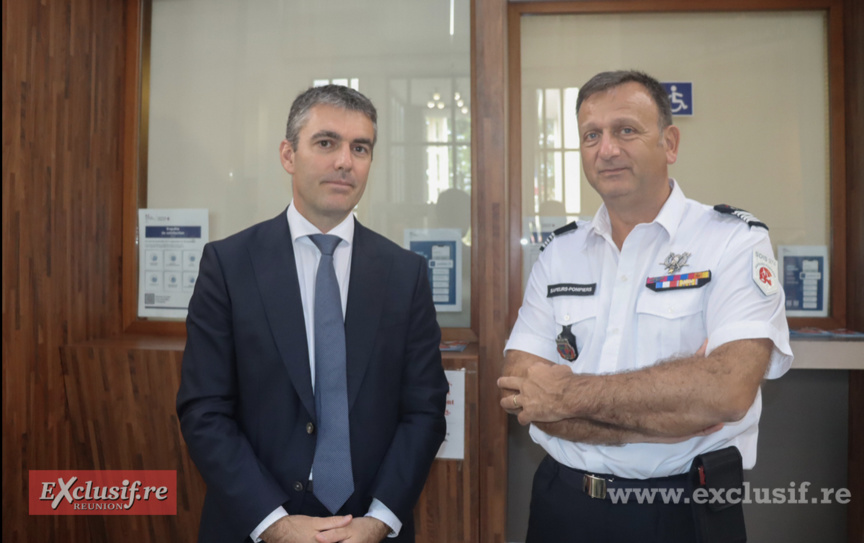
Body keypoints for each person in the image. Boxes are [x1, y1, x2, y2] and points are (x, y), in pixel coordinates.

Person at [498, 71, 792, 542]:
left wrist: (565, 398)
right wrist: (668, 422)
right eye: (591, 135)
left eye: (626, 130)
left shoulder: (733, 242)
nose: (606, 149)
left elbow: (727, 392)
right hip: (563, 504)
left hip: (681, 509)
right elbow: (519, 388)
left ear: (670, 143)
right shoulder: (560, 253)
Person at [177, 85, 448, 543]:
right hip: (255, 526)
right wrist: (275, 525)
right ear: (288, 154)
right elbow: (204, 409)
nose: (345, 161)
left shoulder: (406, 274)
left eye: (360, 148)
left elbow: (424, 411)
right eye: (326, 143)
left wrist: (379, 520)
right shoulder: (228, 265)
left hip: (369, 529)